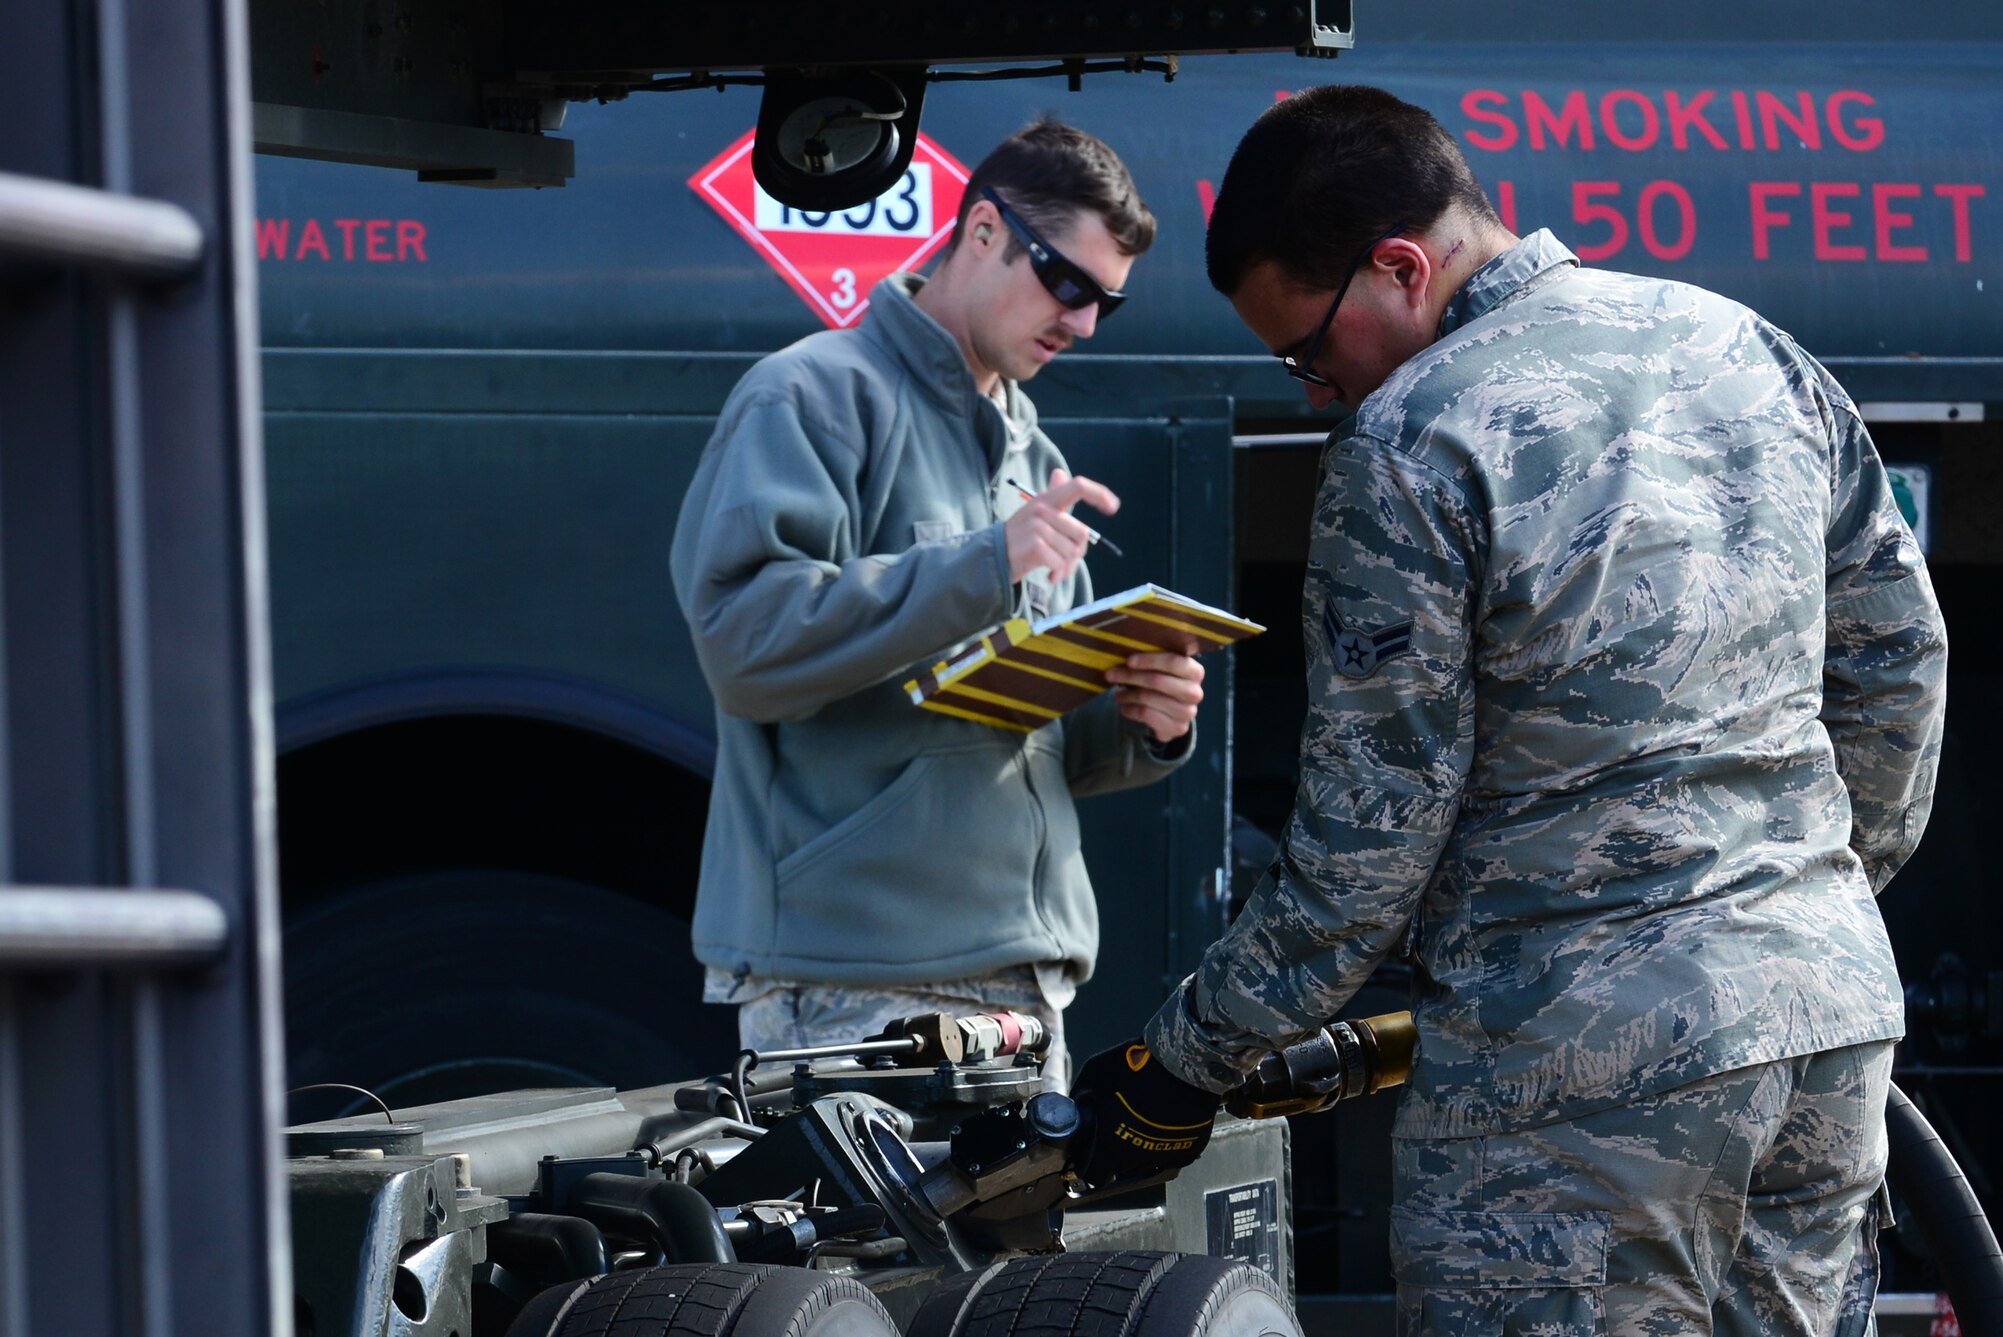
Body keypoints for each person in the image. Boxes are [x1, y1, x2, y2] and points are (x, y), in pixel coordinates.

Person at [1072, 85, 1947, 1334]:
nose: (1315, 391)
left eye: (1308, 351)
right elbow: (1897, 663)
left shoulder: (1407, 440)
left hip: (1572, 1083)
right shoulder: (1747, 348)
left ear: (1399, 266)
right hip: (1824, 1027)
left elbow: (1363, 853)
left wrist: (1180, 1063)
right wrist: (1788, 903)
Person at [670, 121, 1205, 1090]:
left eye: (1105, 301)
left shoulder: (1032, 453)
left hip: (1024, 986)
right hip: (851, 980)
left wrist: (1144, 721)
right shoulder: (811, 393)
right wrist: (983, 565)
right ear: (984, 231)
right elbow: (743, 648)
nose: (1083, 322)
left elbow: (1020, 739)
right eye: (1067, 283)